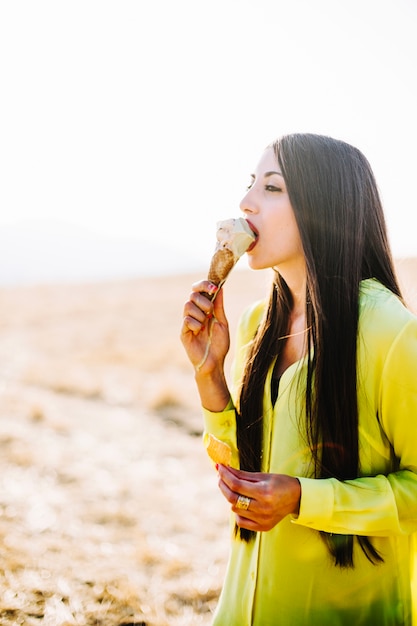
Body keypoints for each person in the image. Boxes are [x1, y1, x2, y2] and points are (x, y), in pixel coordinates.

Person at [180, 133, 417, 625]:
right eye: (250, 185)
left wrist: (305, 498)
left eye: (272, 188)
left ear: (323, 206)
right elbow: (245, 468)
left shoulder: (390, 332)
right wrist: (211, 378)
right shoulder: (254, 324)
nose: (245, 203)